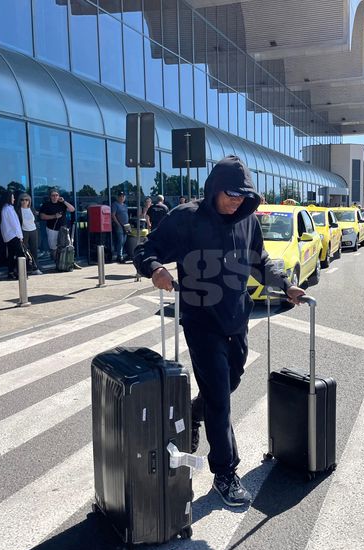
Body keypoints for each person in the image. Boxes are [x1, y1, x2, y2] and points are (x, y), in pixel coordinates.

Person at [134, 155, 306, 508]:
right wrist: (154, 269)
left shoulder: (248, 222)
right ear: (214, 188)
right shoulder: (186, 218)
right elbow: (145, 248)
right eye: (230, 193)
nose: (236, 201)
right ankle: (225, 472)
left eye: (243, 195)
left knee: (230, 383)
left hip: (236, 320)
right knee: (221, 401)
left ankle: (196, 412)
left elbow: (260, 261)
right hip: (201, 322)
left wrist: (286, 285)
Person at [39, 188, 81, 269]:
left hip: (63, 229)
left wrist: (64, 201)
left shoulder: (62, 204)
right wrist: (54, 216)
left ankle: (71, 262)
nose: (55, 197)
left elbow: (72, 209)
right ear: (50, 197)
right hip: (52, 228)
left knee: (68, 246)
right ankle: (57, 264)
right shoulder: (46, 205)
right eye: (53, 195)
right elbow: (42, 216)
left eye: (56, 195)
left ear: (59, 196)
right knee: (54, 248)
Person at [0, 191, 25, 280]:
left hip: (9, 236)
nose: (14, 199)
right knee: (20, 255)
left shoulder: (6, 208)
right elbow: (14, 224)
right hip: (13, 235)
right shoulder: (8, 209)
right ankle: (20, 273)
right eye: (12, 197)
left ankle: (11, 272)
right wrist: (20, 236)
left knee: (11, 255)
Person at [16, 193, 42, 275]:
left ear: (29, 201)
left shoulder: (32, 209)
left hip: (33, 231)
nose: (24, 201)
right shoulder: (18, 210)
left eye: (26, 200)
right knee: (24, 251)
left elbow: (35, 220)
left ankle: (35, 268)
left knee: (34, 250)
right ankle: (25, 269)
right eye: (22, 200)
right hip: (23, 231)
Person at [111, 191, 129, 263]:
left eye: (123, 196)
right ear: (118, 197)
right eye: (120, 196)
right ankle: (119, 256)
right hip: (119, 225)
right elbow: (113, 215)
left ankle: (121, 254)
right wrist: (117, 224)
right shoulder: (115, 204)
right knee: (120, 241)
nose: (122, 197)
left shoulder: (125, 206)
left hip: (126, 225)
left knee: (124, 240)